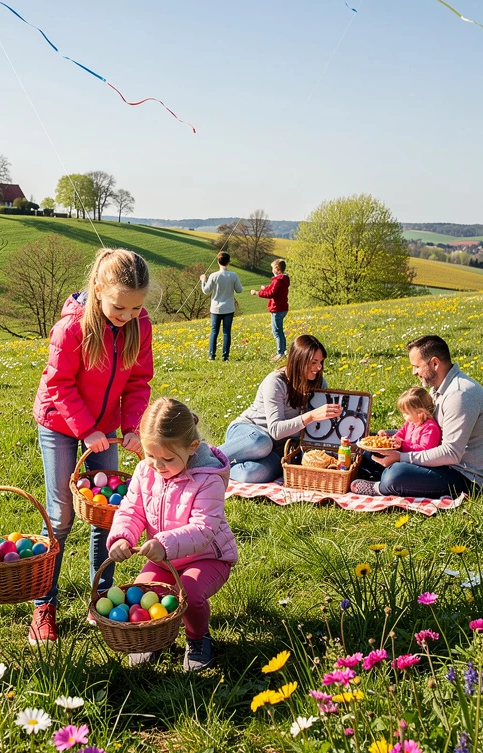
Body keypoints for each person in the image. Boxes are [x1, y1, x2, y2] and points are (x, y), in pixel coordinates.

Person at [31, 248, 153, 645]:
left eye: (136, 308)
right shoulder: (71, 328)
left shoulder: (140, 325)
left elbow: (138, 383)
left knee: (107, 514)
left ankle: (103, 598)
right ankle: (43, 607)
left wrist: (132, 427)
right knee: (62, 516)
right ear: (98, 289)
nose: (127, 316)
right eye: (120, 306)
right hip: (61, 424)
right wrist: (85, 430)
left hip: (104, 429)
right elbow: (58, 385)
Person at [107, 398, 236, 671]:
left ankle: (198, 638)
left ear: (191, 448)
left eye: (167, 458)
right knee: (143, 591)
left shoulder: (208, 479)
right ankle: (155, 636)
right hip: (163, 559)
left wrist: (163, 544)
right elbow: (132, 510)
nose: (158, 465)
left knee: (187, 593)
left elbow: (204, 530)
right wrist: (122, 537)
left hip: (207, 558)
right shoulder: (146, 471)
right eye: (151, 455)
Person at [351, 335, 483, 498]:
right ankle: (376, 472)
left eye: (417, 366)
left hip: (468, 478)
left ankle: (382, 486)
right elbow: (427, 431)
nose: (413, 372)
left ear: (435, 363)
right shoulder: (440, 388)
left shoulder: (460, 395)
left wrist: (401, 457)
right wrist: (393, 441)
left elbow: (451, 453)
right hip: (443, 461)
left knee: (396, 474)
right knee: (374, 447)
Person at [220, 334, 341, 483]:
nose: (319, 367)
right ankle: (209, 457)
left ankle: (223, 467)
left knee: (252, 474)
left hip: (279, 445)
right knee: (262, 443)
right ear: (298, 361)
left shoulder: (319, 383)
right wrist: (311, 416)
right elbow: (276, 430)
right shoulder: (276, 381)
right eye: (314, 362)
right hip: (249, 434)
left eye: (321, 362)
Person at [357, 387, 442, 495]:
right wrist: (388, 438)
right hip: (400, 455)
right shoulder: (411, 423)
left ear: (420, 412)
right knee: (368, 454)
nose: (403, 416)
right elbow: (400, 433)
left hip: (415, 463)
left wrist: (402, 444)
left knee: (394, 471)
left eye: (406, 413)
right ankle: (368, 473)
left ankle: (379, 481)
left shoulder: (430, 428)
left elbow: (425, 450)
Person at [200, 252, 242, 361]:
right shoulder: (233, 275)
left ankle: (211, 355)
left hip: (216, 308)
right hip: (229, 308)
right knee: (226, 332)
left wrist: (203, 281)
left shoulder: (214, 276)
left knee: (214, 331)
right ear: (229, 262)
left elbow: (206, 291)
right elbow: (239, 290)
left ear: (218, 261)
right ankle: (225, 356)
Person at [251, 258, 291, 359]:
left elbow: (271, 293)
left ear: (277, 269)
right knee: (278, 331)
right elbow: (272, 289)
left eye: (273, 268)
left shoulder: (278, 280)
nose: (272, 270)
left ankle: (280, 353)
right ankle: (283, 351)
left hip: (277, 308)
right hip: (281, 308)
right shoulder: (282, 280)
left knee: (277, 332)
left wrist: (257, 293)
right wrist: (265, 288)